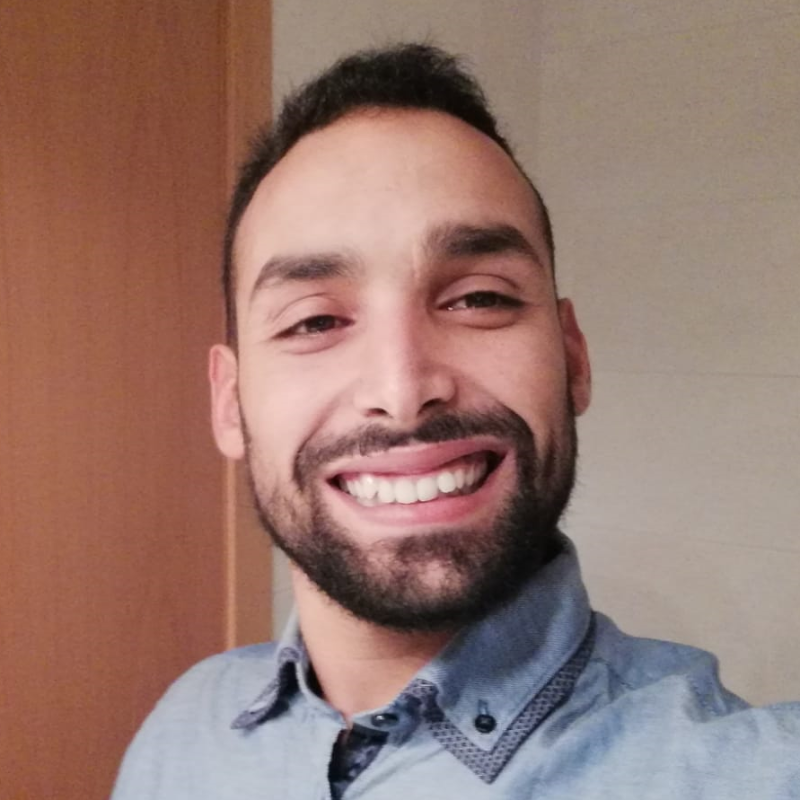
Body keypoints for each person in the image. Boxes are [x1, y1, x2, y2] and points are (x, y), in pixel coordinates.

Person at [112, 43, 800, 799]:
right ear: (228, 402)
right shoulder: (181, 733)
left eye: (479, 299)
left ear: (573, 358)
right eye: (314, 321)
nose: (403, 389)